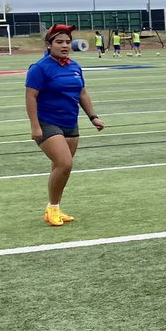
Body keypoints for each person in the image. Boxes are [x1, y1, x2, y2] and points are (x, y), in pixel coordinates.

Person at [24, 24, 106, 226]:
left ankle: (54, 208)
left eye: (68, 42)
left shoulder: (74, 66)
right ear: (48, 44)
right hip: (47, 122)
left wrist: (93, 117)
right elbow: (31, 97)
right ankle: (52, 208)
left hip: (70, 123)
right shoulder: (39, 68)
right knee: (65, 163)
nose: (65, 45)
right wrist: (35, 126)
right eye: (59, 42)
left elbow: (82, 93)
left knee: (61, 168)